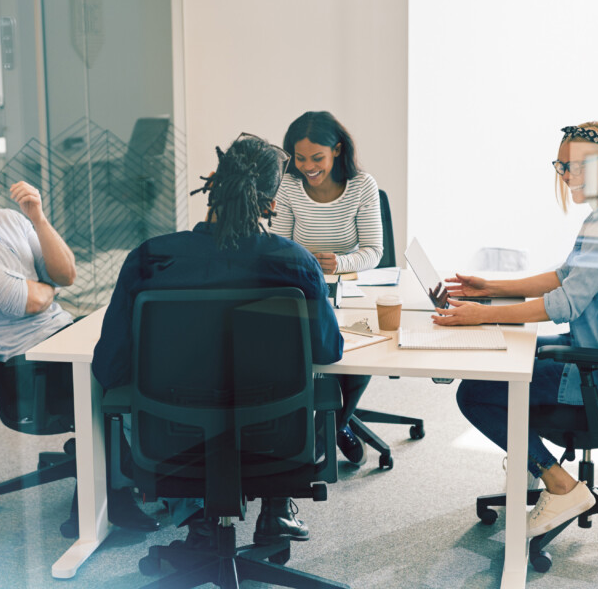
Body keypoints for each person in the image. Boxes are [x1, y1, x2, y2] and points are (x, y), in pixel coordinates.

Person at [91, 132, 344, 548]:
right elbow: (328, 351)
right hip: (274, 443)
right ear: (272, 204)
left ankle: (199, 523)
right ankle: (275, 509)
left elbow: (109, 367)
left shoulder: (152, 259)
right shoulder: (294, 263)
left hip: (172, 442)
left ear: (212, 184)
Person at [431, 122, 598, 538]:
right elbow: (563, 277)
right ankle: (533, 462)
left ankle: (558, 482)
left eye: (575, 166)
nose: (566, 175)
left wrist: (482, 315)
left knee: (475, 393)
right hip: (597, 353)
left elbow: (565, 303)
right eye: (562, 166)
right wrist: (491, 289)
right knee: (505, 354)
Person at [0, 138, 159, 532]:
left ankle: (135, 469)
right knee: (132, 370)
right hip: (31, 368)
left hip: (61, 335)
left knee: (152, 344)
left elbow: (66, 274)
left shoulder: (10, 220)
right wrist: (43, 287)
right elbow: (31, 303)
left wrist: (38, 218)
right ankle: (106, 498)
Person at [273, 111, 384, 466]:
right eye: (300, 158)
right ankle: (314, 424)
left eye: (317, 158)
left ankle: (337, 424)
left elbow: (374, 251)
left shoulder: (362, 186)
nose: (308, 166)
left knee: (360, 354)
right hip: (301, 288)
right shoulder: (288, 186)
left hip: (349, 288)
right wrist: (301, 267)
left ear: (336, 150)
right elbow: (278, 245)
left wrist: (340, 263)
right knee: (296, 349)